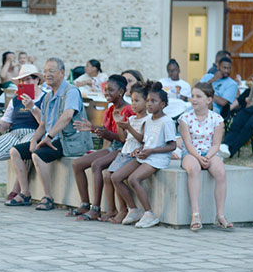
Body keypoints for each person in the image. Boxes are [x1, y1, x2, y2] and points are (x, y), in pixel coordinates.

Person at [6, 58, 92, 210]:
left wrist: (48, 137)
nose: (47, 74)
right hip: (53, 138)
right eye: (45, 71)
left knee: (38, 155)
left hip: (68, 140)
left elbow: (66, 117)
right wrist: (34, 140)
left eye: (51, 71)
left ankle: (48, 197)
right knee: (15, 151)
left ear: (62, 73)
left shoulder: (70, 91)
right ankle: (25, 193)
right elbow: (43, 124)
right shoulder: (48, 96)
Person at [0, 65, 45, 202]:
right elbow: (6, 120)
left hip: (34, 132)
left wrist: (32, 107)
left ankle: (17, 190)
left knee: (24, 148)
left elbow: (44, 122)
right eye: (22, 81)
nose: (25, 83)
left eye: (28, 79)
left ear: (37, 80)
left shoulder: (44, 98)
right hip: (15, 132)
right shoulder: (16, 99)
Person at [69, 74, 133, 220]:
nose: (106, 93)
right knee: (77, 164)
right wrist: (94, 129)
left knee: (97, 165)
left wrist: (108, 134)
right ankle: (85, 204)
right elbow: (107, 134)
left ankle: (96, 208)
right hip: (113, 147)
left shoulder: (128, 111)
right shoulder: (110, 110)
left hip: (124, 149)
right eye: (105, 89)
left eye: (111, 90)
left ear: (121, 92)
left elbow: (128, 140)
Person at [112, 85, 176, 228]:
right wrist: (139, 149)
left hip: (158, 158)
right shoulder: (148, 121)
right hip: (145, 155)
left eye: (153, 101)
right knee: (116, 177)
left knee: (133, 179)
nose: (149, 104)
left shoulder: (167, 121)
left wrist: (151, 151)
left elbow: (172, 146)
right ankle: (133, 209)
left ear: (162, 104)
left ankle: (149, 214)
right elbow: (145, 140)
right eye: (147, 100)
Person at [179, 82, 230, 231]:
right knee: (193, 169)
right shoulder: (185, 118)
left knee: (220, 172)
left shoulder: (217, 119)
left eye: (198, 96)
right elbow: (187, 143)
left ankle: (220, 215)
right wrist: (199, 157)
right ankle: (196, 213)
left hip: (210, 152)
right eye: (193, 96)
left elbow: (216, 144)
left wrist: (207, 157)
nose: (194, 99)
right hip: (191, 153)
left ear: (209, 100)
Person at [104, 82, 149, 223]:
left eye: (137, 101)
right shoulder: (131, 119)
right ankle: (121, 209)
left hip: (134, 155)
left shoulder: (147, 120)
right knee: (108, 175)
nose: (133, 104)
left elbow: (142, 140)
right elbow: (123, 139)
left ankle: (131, 209)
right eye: (132, 100)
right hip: (124, 152)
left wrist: (129, 127)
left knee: (116, 177)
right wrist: (120, 125)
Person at [219, 56, 253, 158]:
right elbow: (250, 100)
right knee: (237, 121)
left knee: (249, 126)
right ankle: (225, 145)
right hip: (252, 108)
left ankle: (230, 151)